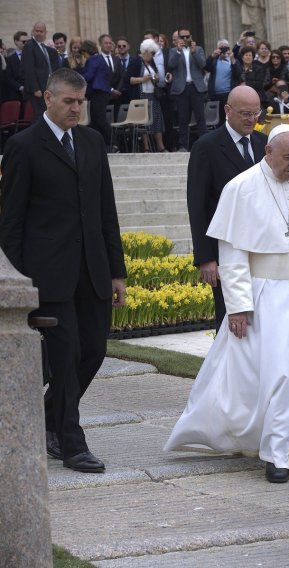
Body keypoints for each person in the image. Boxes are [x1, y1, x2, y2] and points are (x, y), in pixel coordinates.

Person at [166, 124, 289, 484]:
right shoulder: (242, 188)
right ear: (268, 152)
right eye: (288, 158)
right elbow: (232, 255)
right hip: (269, 296)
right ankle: (277, 454)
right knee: (281, 373)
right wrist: (237, 306)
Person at [0, 68, 127, 473]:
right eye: (69, 101)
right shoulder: (23, 146)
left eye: (80, 101)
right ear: (48, 99)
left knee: (94, 350)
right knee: (66, 354)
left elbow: (106, 212)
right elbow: (11, 222)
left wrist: (116, 272)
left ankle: (49, 415)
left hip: (92, 270)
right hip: (48, 275)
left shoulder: (91, 141)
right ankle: (71, 443)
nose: (76, 108)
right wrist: (15, 284)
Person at [186, 85, 269, 331]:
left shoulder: (264, 144)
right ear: (227, 111)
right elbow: (197, 206)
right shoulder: (207, 147)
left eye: (256, 113)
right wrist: (206, 258)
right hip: (225, 252)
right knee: (231, 320)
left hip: (261, 249)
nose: (251, 119)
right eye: (245, 113)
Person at [80, 35, 123, 150]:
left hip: (97, 93)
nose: (83, 56)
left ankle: (113, 143)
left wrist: (75, 79)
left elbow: (89, 76)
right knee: (95, 121)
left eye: (83, 53)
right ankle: (103, 145)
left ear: (86, 51)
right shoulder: (100, 59)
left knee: (100, 120)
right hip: (102, 93)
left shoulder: (93, 59)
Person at [168, 27, 207, 151]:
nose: (185, 39)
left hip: (196, 87)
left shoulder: (198, 49)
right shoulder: (174, 51)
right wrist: (179, 51)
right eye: (182, 37)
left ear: (191, 37)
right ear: (178, 38)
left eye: (187, 36)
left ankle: (204, 145)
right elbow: (171, 65)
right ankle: (183, 145)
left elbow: (202, 65)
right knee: (183, 119)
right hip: (182, 88)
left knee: (200, 118)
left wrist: (194, 52)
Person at [126, 38, 166, 152]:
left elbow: (156, 76)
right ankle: (146, 147)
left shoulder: (151, 62)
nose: (153, 56)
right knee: (144, 122)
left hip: (153, 95)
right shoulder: (135, 61)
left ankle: (160, 146)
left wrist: (156, 78)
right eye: (152, 53)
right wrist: (143, 79)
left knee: (157, 120)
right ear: (146, 51)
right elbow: (129, 79)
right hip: (141, 95)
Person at [23, 22, 61, 122]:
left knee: (46, 115)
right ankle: (36, 137)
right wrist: (35, 89)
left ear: (45, 33)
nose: (39, 33)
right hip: (37, 90)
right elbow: (28, 69)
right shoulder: (29, 46)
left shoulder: (43, 47)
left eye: (41, 31)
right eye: (37, 31)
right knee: (39, 116)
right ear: (33, 31)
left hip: (47, 87)